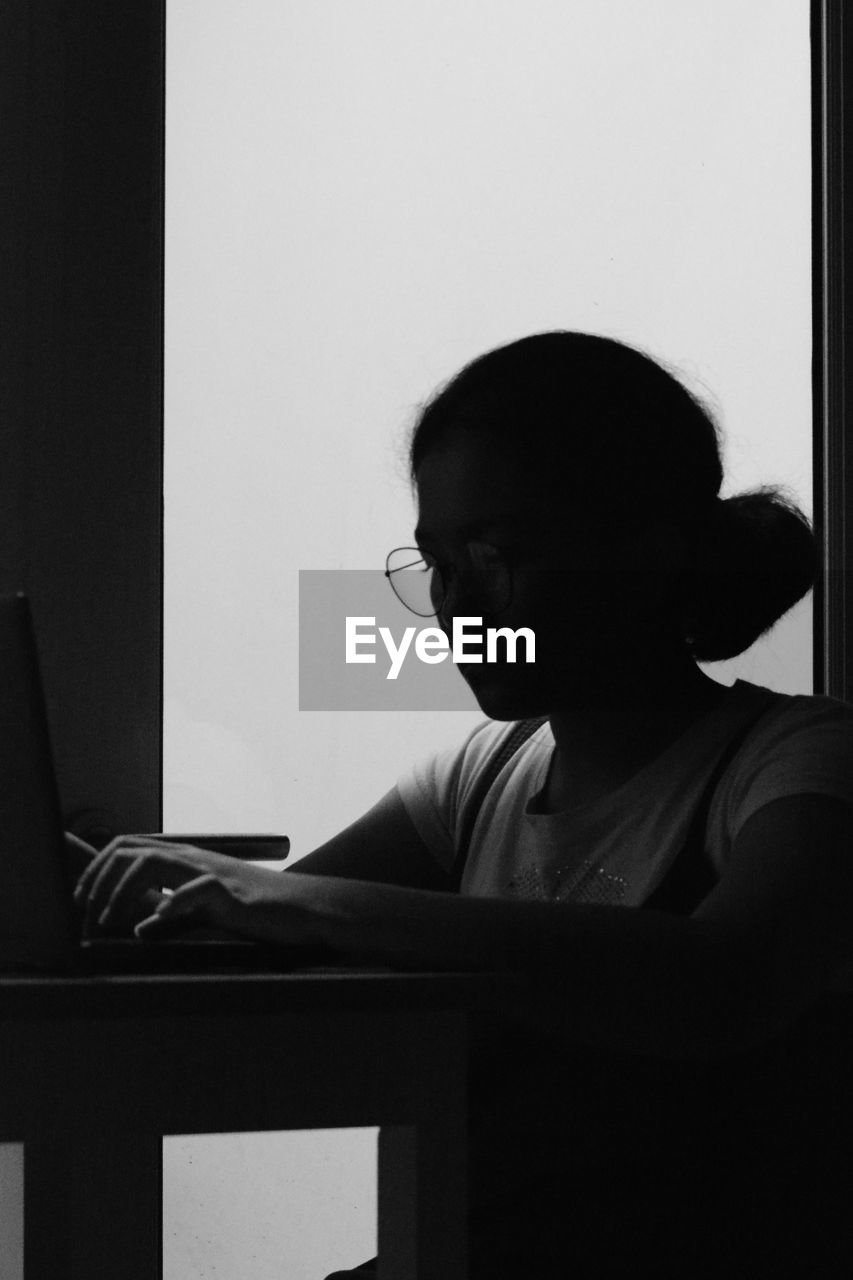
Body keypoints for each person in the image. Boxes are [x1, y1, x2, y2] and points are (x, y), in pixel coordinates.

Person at [75, 332, 853, 1276]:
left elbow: (727, 981)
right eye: (436, 560)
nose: (456, 602)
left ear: (650, 549)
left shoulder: (797, 756)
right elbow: (245, 931)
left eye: (495, 553)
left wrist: (287, 900)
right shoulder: (480, 778)